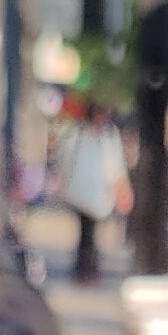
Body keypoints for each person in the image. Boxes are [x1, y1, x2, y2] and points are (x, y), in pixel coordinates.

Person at [56, 93, 127, 285]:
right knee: (86, 233)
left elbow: (116, 167)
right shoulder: (78, 134)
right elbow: (65, 160)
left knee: (91, 234)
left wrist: (120, 189)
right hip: (81, 192)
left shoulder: (108, 137)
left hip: (99, 194)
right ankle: (85, 269)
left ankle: (89, 268)